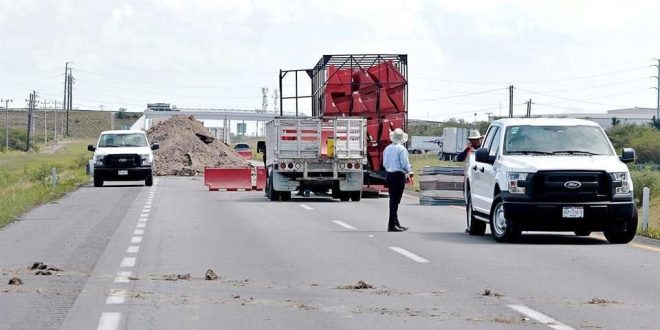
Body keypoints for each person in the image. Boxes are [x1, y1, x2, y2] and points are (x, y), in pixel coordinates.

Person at [383, 128, 413, 232]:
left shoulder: (387, 149)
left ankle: (396, 223)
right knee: (395, 201)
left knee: (393, 200)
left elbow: (385, 164)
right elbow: (404, 164)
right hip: (399, 175)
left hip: (390, 175)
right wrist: (409, 170)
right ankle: (391, 224)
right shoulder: (401, 149)